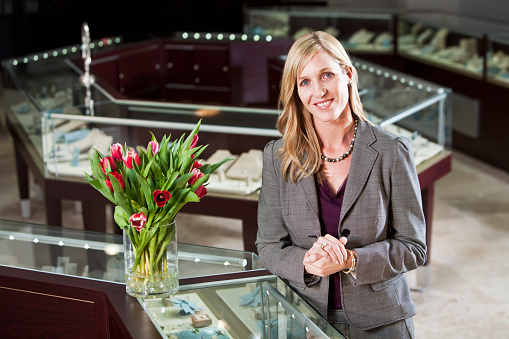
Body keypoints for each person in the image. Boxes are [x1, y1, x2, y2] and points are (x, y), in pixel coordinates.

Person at [256, 31, 427, 338]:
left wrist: (350, 260)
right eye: (305, 81)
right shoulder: (277, 157)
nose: (318, 91)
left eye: (326, 75)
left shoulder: (391, 151)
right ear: (295, 90)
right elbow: (268, 246)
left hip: (382, 321)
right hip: (304, 317)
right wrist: (306, 262)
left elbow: (414, 247)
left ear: (348, 75)